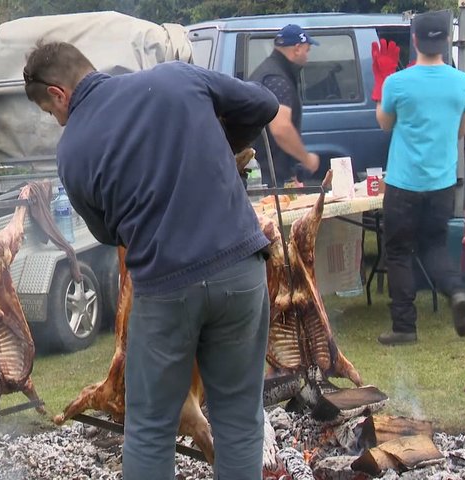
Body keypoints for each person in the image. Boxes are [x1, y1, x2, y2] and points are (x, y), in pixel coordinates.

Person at [23, 42, 278, 478]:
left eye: (51, 111)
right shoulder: (176, 77)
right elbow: (265, 104)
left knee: (149, 429)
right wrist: (224, 144)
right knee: (239, 418)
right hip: (239, 270)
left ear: (58, 93)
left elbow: (107, 233)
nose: (57, 120)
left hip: (165, 291)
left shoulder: (73, 151)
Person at [372, 11, 465, 345]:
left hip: (403, 184)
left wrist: (381, 82)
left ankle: (404, 327)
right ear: (446, 41)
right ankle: (457, 291)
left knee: (399, 251)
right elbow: (461, 132)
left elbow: (385, 125)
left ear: (414, 40)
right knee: (434, 246)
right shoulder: (462, 83)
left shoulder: (397, 83)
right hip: (442, 184)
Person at [249, 24, 321, 187]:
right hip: (267, 176)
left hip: (265, 171)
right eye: (307, 50)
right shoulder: (277, 78)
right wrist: (306, 159)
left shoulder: (268, 71)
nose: (307, 56)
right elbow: (281, 129)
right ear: (297, 48)